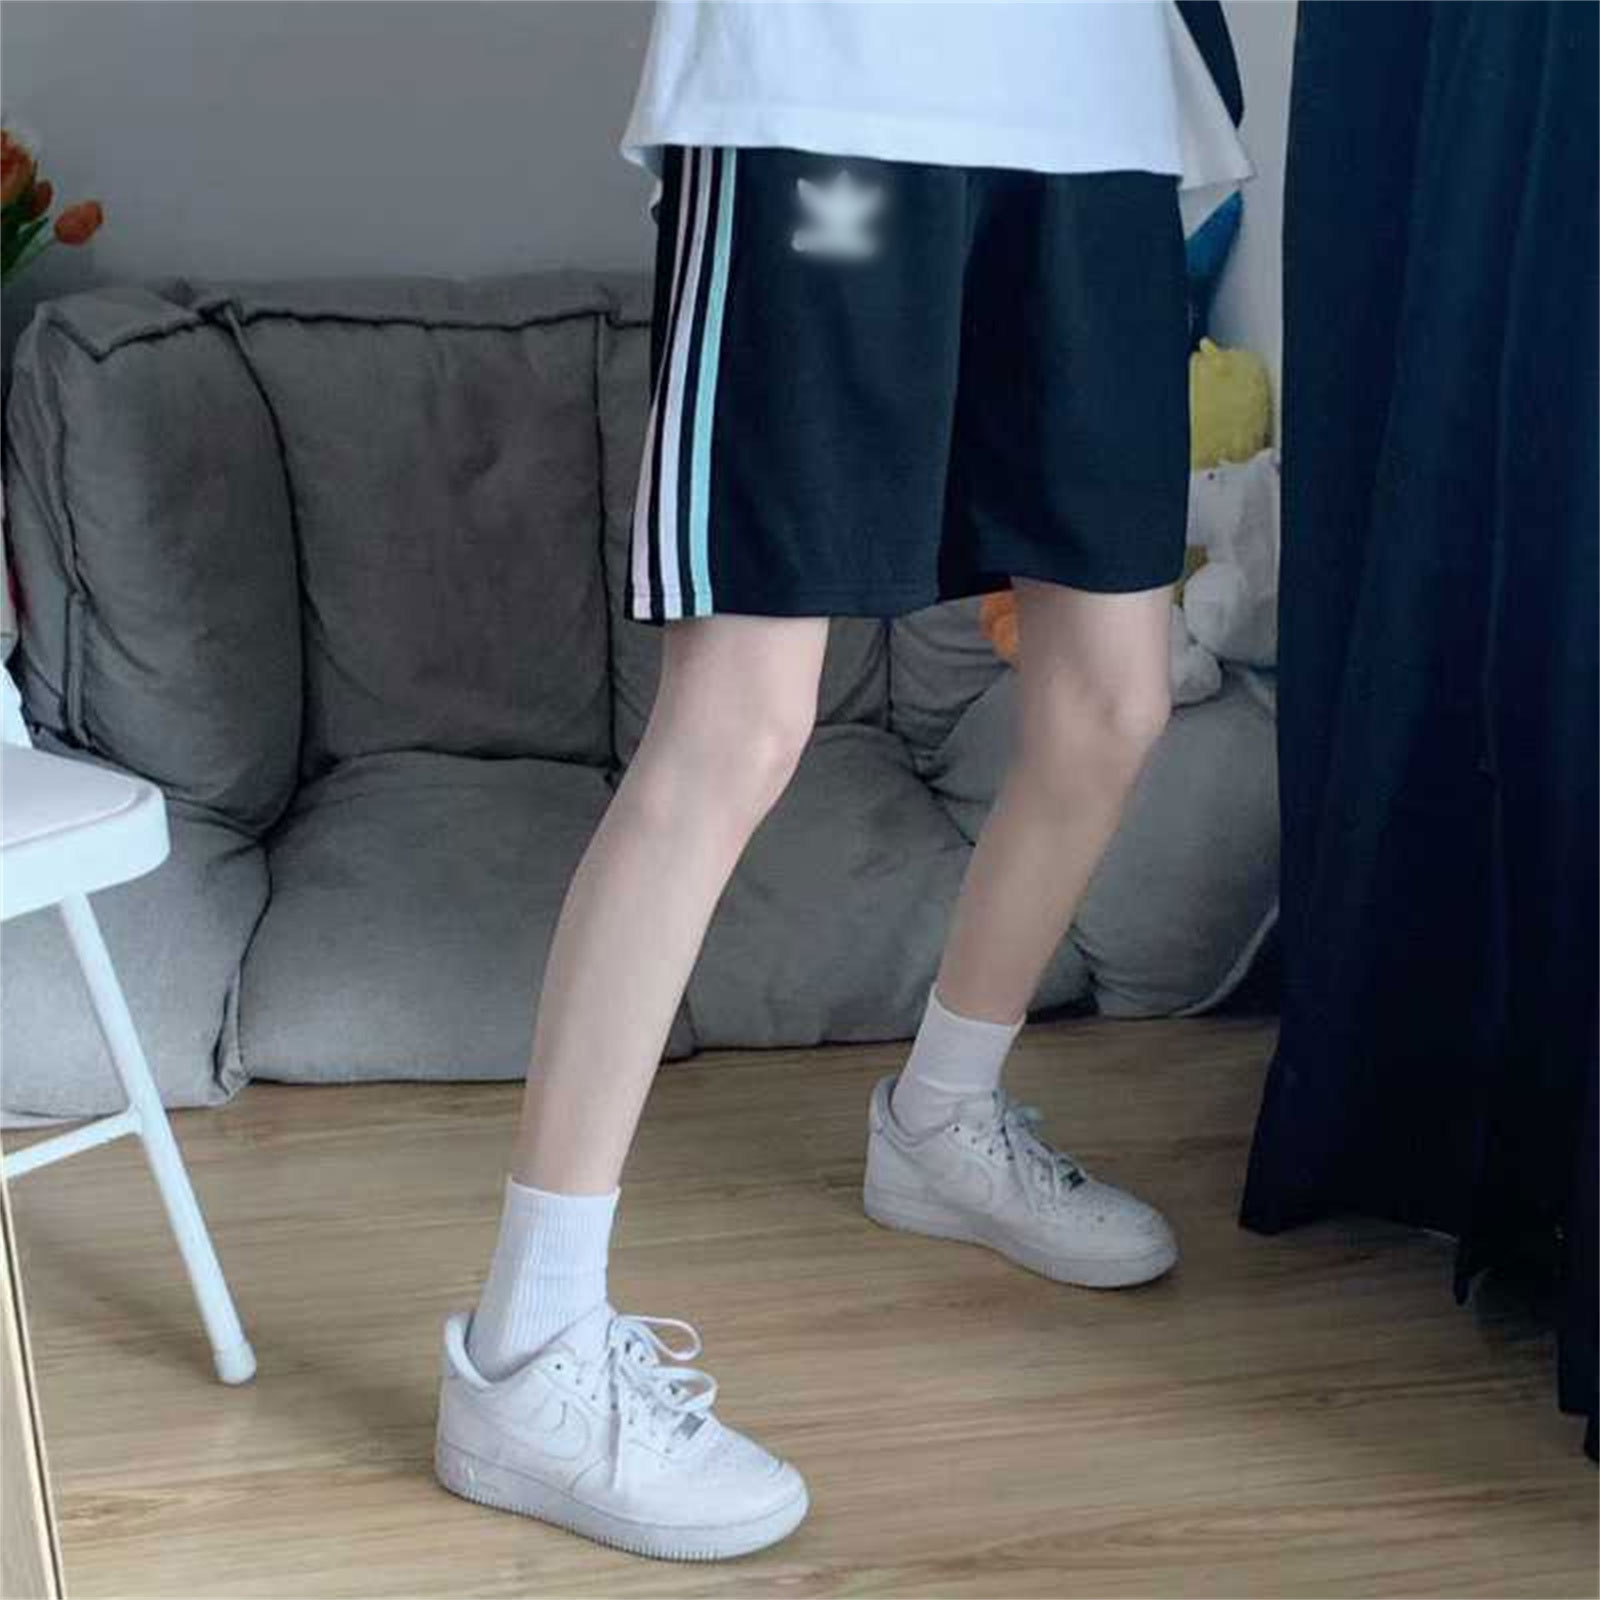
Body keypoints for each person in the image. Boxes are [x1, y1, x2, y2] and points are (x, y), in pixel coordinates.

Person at [434, 0, 1252, 1562]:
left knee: (1114, 701)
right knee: (739, 724)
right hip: (836, 96)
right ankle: (531, 1351)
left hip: (1099, 110)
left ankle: (941, 1122)